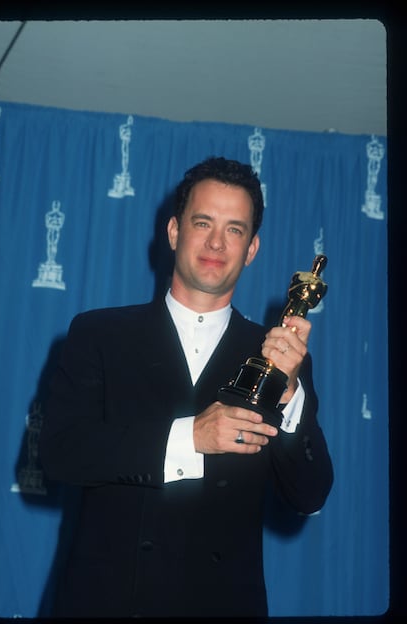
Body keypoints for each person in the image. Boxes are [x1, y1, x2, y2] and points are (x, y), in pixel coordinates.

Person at [39, 156, 333, 618]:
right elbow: (59, 453)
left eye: (235, 229)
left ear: (252, 248)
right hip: (109, 603)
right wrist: (189, 437)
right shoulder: (99, 334)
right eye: (204, 222)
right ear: (174, 231)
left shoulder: (279, 355)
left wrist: (290, 395)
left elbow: (309, 495)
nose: (217, 241)